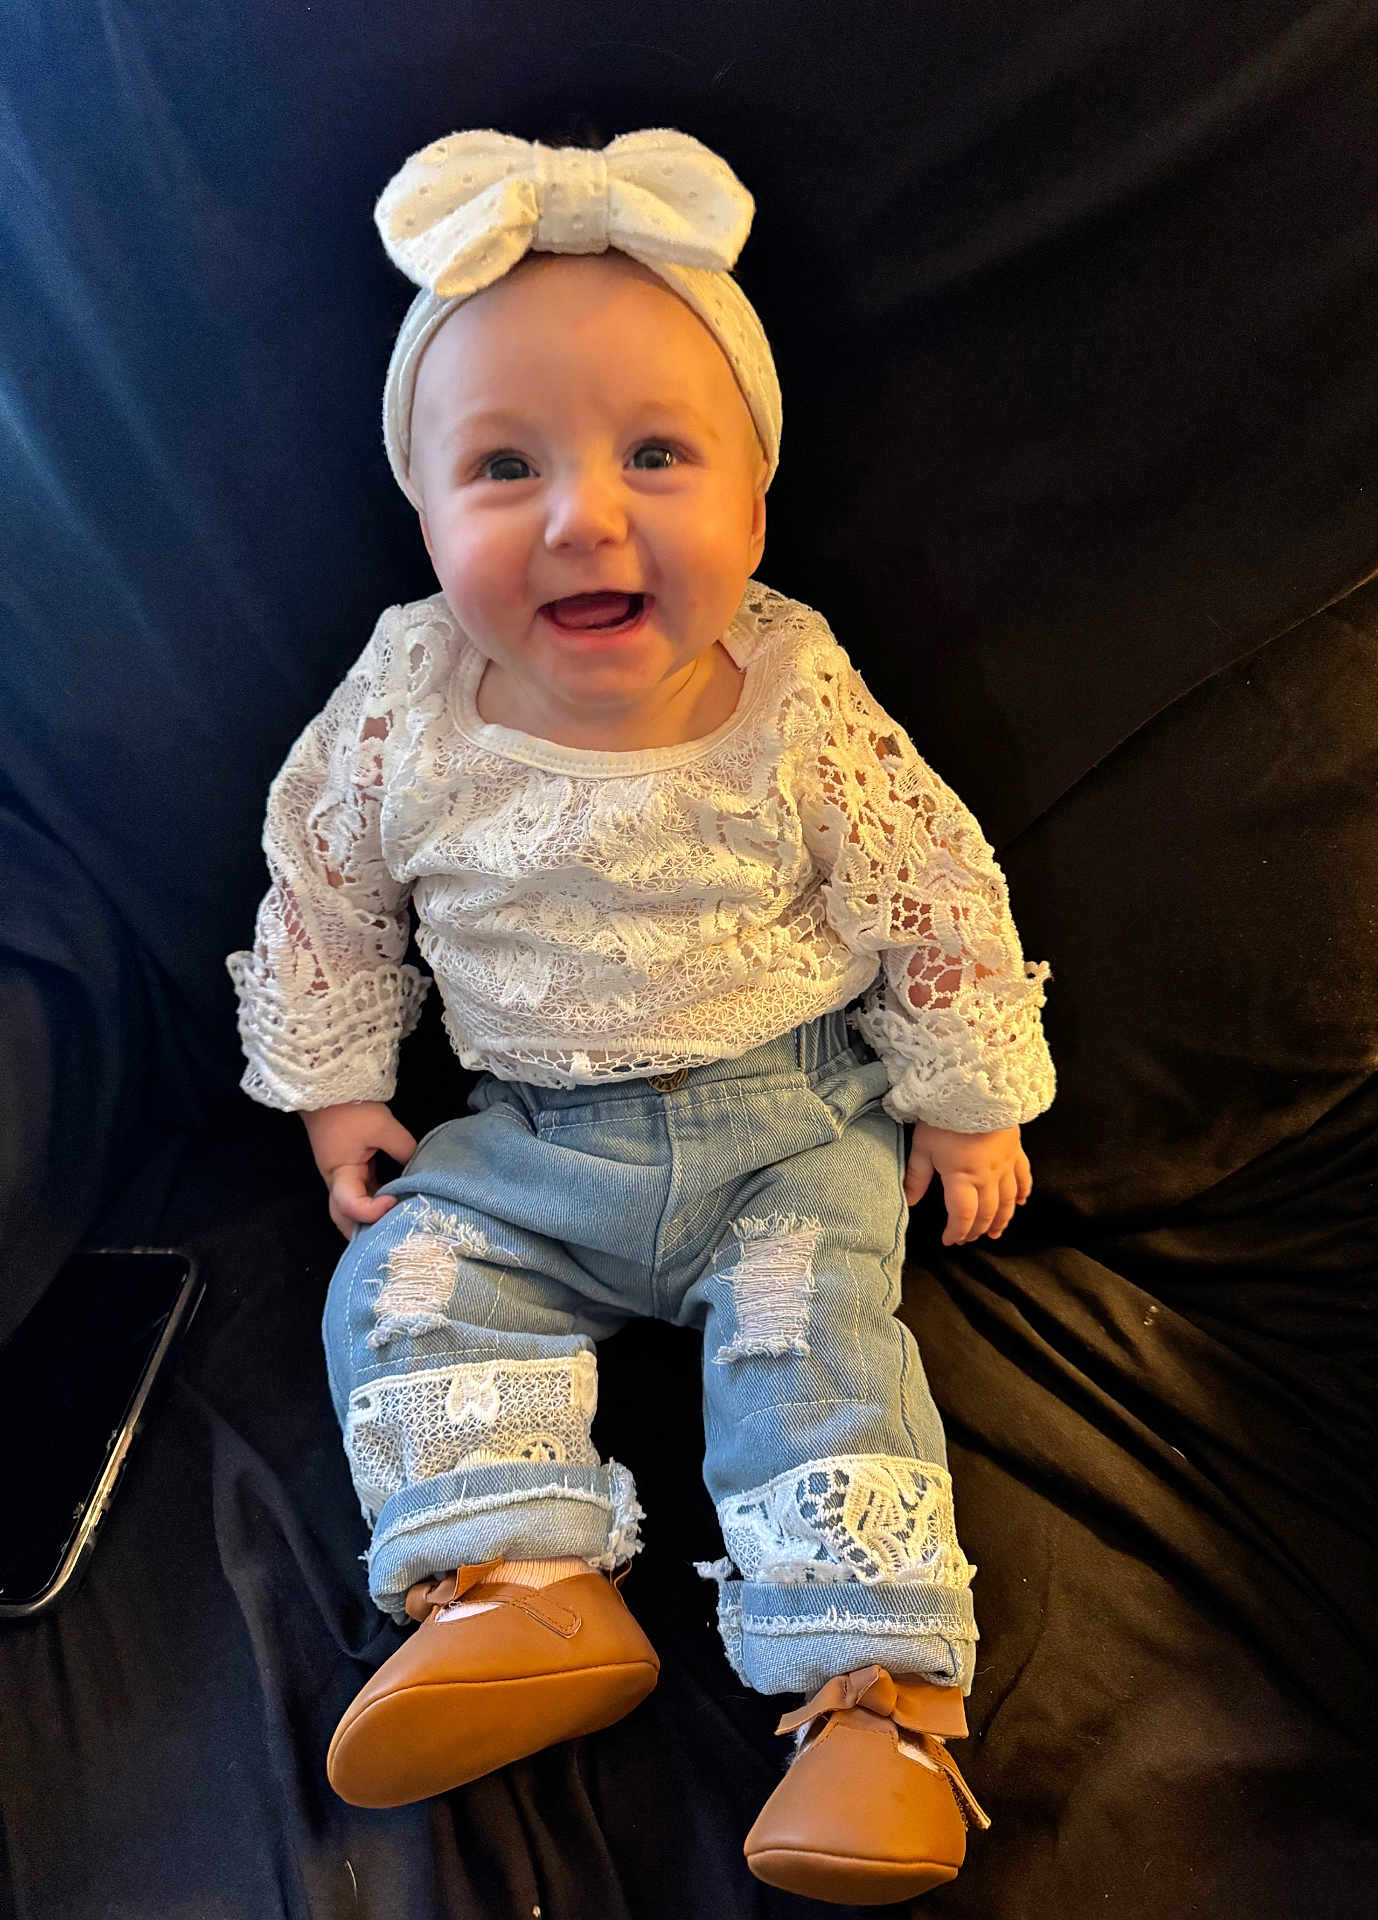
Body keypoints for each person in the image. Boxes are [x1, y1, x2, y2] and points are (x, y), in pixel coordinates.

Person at [227, 126, 1056, 1905]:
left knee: (809, 1360)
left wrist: (968, 1096)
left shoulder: (794, 694)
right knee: (408, 1285)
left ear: (756, 492)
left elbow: (930, 886)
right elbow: (325, 891)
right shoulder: (406, 702)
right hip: (526, 1139)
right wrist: (336, 1089)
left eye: (657, 456)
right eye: (504, 467)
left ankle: (874, 1708)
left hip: (788, 1134)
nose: (583, 518)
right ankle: (525, 1594)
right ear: (429, 512)